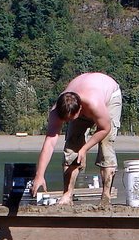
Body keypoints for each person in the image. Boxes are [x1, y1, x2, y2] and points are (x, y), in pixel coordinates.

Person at [31, 72, 122, 206]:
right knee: (72, 145)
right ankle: (67, 195)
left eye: (70, 119)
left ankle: (106, 197)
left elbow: (105, 128)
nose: (67, 122)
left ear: (79, 109)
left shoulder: (94, 103)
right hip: (86, 91)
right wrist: (39, 175)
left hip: (109, 96)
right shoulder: (56, 111)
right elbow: (50, 142)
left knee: (105, 144)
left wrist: (84, 149)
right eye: (65, 120)